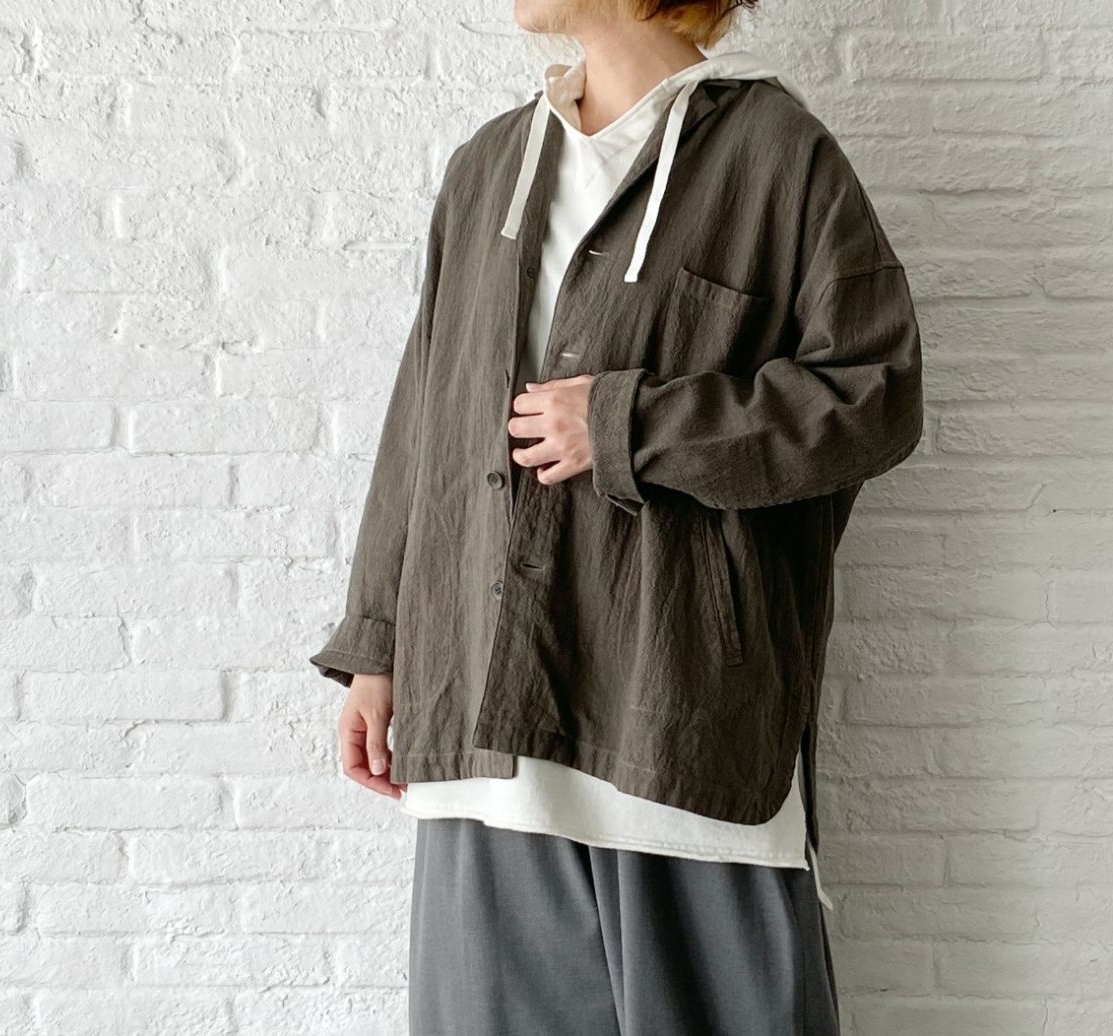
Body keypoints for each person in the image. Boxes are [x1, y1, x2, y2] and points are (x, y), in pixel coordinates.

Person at [310, 1, 924, 1033]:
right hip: (484, 736)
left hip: (680, 735)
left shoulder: (775, 157)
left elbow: (874, 396)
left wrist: (630, 425)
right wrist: (377, 646)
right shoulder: (488, 168)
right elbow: (423, 417)